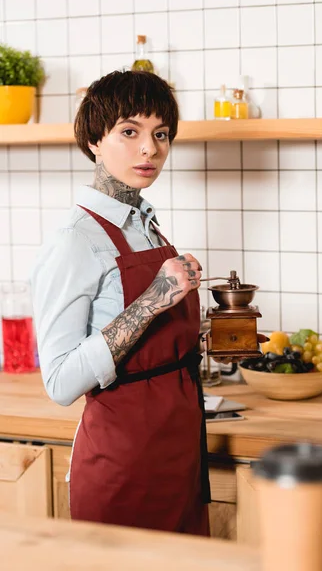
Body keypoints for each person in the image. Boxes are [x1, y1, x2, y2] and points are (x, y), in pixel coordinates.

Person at [31, 70, 210, 535]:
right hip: (123, 463)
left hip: (180, 454)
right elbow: (60, 381)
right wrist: (152, 301)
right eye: (129, 132)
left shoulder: (145, 225)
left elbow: (148, 341)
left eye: (161, 134)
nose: (149, 149)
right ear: (94, 139)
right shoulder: (75, 240)